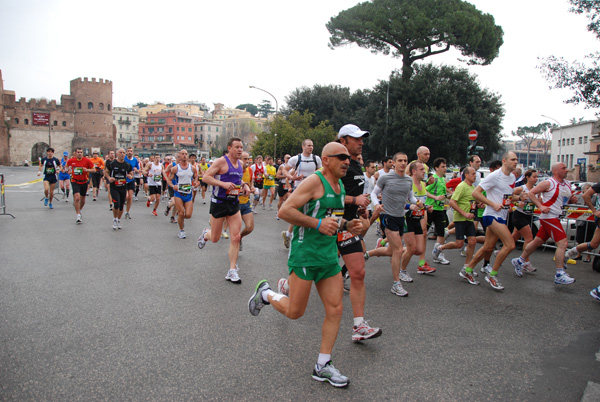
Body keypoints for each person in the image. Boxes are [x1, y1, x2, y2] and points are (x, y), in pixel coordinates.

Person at [248, 142, 361, 388]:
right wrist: (317, 225)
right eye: (341, 157)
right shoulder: (314, 182)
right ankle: (266, 294)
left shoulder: (339, 185)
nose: (346, 161)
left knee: (335, 309)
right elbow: (286, 211)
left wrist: (347, 225)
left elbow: (331, 217)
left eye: (347, 158)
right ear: (326, 160)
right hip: (306, 255)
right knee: (295, 312)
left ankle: (323, 365)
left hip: (329, 256)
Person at [334, 124, 381, 341]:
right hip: (329, 224)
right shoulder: (335, 165)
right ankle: (286, 285)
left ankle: (359, 326)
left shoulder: (357, 166)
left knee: (358, 273)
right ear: (343, 141)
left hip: (348, 226)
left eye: (362, 138)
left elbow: (355, 194)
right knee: (311, 274)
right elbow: (322, 195)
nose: (361, 142)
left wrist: (359, 207)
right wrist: (354, 200)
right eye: (356, 139)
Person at [512, 162, 578, 284]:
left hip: (557, 217)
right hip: (549, 217)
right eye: (563, 168)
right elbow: (531, 193)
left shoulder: (568, 184)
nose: (567, 170)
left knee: (536, 241)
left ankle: (520, 261)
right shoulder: (549, 183)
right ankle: (559, 273)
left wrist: (572, 199)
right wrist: (540, 206)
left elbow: (564, 200)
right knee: (563, 243)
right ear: (556, 171)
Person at [197, 137, 250, 284]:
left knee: (235, 237)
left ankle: (232, 270)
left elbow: (238, 180)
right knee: (215, 238)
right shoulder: (220, 161)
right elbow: (206, 177)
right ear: (229, 148)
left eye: (241, 147)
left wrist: (245, 185)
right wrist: (223, 184)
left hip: (233, 204)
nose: (240, 149)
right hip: (218, 203)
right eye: (237, 147)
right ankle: (205, 234)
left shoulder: (240, 164)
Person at [464, 152, 519, 290]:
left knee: (488, 247)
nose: (516, 162)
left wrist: (519, 200)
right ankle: (492, 275)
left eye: (516, 160)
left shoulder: (512, 177)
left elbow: (506, 197)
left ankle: (468, 269)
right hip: (491, 215)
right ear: (504, 161)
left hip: (502, 215)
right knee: (510, 244)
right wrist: (492, 204)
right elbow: (475, 193)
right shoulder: (495, 176)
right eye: (513, 159)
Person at [371, 152, 421, 297]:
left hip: (400, 217)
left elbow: (410, 196)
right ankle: (396, 283)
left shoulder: (408, 180)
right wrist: (376, 205)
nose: (403, 163)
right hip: (387, 216)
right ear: (393, 163)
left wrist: (416, 203)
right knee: (399, 250)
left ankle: (367, 254)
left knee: (390, 251)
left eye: (405, 160)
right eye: (400, 160)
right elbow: (374, 193)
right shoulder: (385, 177)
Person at [436, 167, 480, 284]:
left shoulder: (472, 187)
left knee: (472, 241)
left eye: (475, 174)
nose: (475, 176)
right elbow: (452, 202)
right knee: (459, 244)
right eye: (473, 174)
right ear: (466, 175)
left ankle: (467, 267)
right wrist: (464, 213)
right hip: (460, 219)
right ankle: (440, 247)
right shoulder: (461, 186)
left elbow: (471, 202)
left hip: (469, 219)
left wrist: (478, 205)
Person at [281, 139, 323, 247]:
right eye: (309, 145)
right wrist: (291, 177)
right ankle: (293, 235)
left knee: (313, 211)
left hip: (313, 190)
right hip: (299, 189)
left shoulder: (316, 159)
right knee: (299, 213)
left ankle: (290, 234)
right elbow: (284, 170)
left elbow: (320, 172)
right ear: (303, 147)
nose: (311, 147)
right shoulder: (296, 159)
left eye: (312, 146)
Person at [400, 161, 436, 275]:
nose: (424, 172)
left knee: (418, 250)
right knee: (411, 248)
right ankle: (402, 271)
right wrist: (410, 206)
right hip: (407, 217)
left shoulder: (423, 185)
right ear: (414, 172)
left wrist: (426, 207)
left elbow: (421, 202)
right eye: (422, 170)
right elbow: (399, 202)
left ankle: (394, 248)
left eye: (425, 170)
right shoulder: (407, 183)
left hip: (418, 217)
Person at [510, 169, 539, 271]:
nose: (536, 179)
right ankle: (525, 262)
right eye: (534, 177)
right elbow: (509, 196)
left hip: (528, 216)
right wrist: (518, 203)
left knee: (514, 238)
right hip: (519, 215)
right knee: (529, 238)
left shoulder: (536, 190)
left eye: (536, 177)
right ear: (527, 177)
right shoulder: (521, 188)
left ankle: (500, 253)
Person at [167, 149, 197, 239]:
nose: (184, 155)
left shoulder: (192, 168)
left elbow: (196, 177)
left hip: (188, 194)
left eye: (186, 154)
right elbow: (169, 179)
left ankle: (181, 220)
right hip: (178, 194)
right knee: (181, 213)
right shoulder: (175, 168)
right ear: (179, 156)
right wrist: (173, 186)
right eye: (182, 154)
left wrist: (196, 183)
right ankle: (181, 231)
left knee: (188, 215)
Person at [427, 158, 452, 264]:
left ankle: (438, 254)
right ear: (436, 168)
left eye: (446, 166)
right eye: (443, 166)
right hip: (430, 209)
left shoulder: (443, 179)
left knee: (442, 233)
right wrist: (435, 198)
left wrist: (450, 196)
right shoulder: (434, 178)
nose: (445, 168)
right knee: (421, 232)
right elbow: (425, 191)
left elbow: (444, 192)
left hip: (441, 210)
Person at [104, 148, 133, 230]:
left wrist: (131, 176)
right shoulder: (112, 164)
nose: (122, 154)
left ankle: (118, 219)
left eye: (124, 152)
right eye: (121, 152)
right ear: (117, 154)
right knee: (116, 204)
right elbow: (106, 172)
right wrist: (109, 178)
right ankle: (115, 219)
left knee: (121, 206)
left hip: (123, 187)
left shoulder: (127, 165)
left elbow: (131, 173)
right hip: (114, 187)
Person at [66, 148, 95, 223]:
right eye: (78, 152)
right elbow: (66, 167)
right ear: (75, 153)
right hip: (75, 181)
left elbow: (94, 169)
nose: (80, 153)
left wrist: (87, 170)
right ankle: (78, 215)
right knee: (77, 197)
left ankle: (80, 209)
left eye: (81, 152)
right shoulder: (71, 160)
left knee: (83, 199)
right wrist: (68, 171)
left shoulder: (87, 160)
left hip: (84, 181)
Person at [238, 152, 255, 251]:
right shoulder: (234, 171)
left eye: (248, 159)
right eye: (244, 159)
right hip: (234, 204)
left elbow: (251, 183)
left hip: (245, 203)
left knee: (250, 227)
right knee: (234, 231)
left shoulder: (249, 170)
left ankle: (240, 237)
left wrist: (252, 188)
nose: (247, 161)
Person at [123, 147, 140, 219]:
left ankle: (127, 212)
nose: (129, 152)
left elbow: (138, 170)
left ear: (133, 152)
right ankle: (121, 206)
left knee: (130, 197)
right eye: (128, 151)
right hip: (123, 180)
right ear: (126, 152)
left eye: (131, 151)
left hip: (131, 180)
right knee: (126, 197)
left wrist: (136, 170)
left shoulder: (135, 160)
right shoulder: (124, 159)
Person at [275, 154, 292, 219]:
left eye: (290, 158)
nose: (289, 159)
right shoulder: (282, 166)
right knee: (281, 200)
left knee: (289, 199)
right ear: (284, 159)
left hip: (290, 185)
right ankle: (278, 212)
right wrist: (287, 176)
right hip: (282, 184)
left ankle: (287, 213)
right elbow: (277, 176)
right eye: (287, 158)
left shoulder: (293, 166)